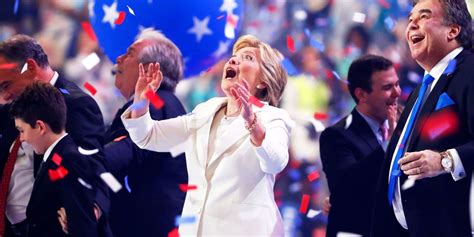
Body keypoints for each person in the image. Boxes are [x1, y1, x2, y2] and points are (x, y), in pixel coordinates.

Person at [121, 34, 293, 236]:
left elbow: (275, 163)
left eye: (248, 58)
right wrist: (142, 100)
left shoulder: (274, 117)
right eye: (234, 56)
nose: (234, 60)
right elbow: (148, 136)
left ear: (263, 81)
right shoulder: (206, 111)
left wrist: (252, 122)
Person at [371, 0, 474, 236]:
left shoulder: (470, 70)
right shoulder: (424, 87)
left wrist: (445, 160)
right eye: (410, 20)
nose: (412, 25)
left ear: (453, 30)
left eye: (424, 17)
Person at [0, 34, 111, 237]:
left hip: (53, 229)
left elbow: (94, 166)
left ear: (31, 67)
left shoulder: (77, 105)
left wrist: (89, 209)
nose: (4, 96)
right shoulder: (11, 106)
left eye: (6, 85)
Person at [104, 28, 187, 237]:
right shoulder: (166, 103)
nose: (119, 58)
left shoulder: (155, 103)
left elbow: (128, 151)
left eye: (130, 53)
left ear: (150, 69)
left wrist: (82, 162)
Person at [320, 55, 400, 237]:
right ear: (361, 94)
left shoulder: (408, 123)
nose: (397, 93)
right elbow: (346, 187)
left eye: (397, 84)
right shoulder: (336, 136)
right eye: (388, 87)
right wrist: (390, 146)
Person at [10, 82, 98, 237]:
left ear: (40, 127)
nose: (22, 139)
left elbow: (83, 227)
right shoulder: (56, 154)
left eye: (22, 131)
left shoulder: (70, 160)